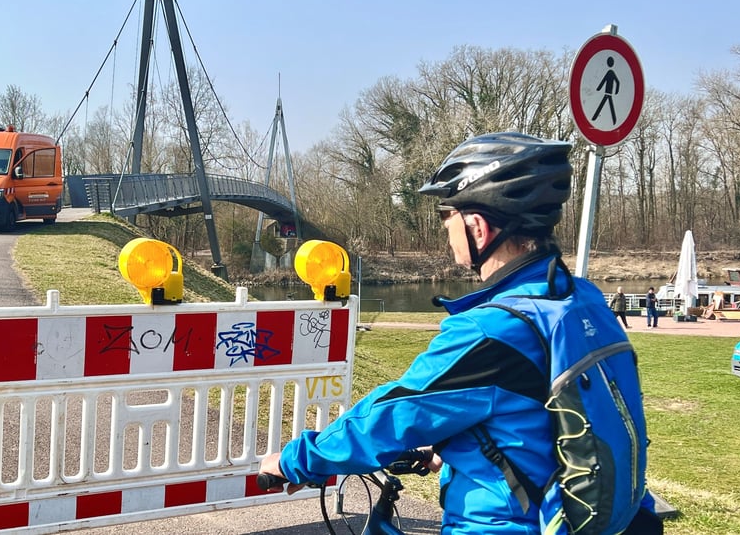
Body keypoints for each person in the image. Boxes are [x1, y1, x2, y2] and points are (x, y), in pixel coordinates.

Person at [259, 132, 658, 534]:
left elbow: (394, 414)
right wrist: (456, 444)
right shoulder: (581, 299)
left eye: (445, 215)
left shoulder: (491, 330)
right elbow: (537, 409)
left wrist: (295, 460)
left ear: (478, 227)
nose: (445, 228)